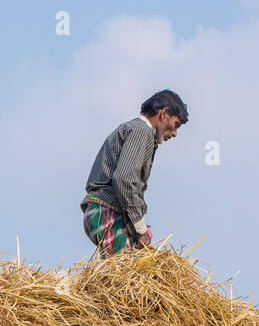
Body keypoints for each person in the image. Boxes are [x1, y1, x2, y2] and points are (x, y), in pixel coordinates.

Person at [80, 89, 188, 258]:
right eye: (176, 125)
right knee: (124, 269)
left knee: (136, 267)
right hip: (107, 210)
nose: (175, 133)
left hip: (105, 212)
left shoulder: (133, 130)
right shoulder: (141, 131)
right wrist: (139, 225)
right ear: (164, 113)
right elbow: (124, 179)